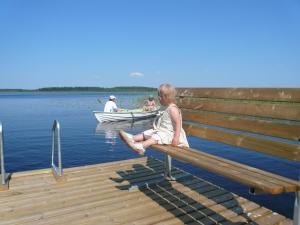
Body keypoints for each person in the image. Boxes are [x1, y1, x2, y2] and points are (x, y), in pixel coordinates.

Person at [119, 83, 189, 155]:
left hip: (171, 135)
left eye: (160, 97)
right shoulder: (167, 108)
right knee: (149, 132)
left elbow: (178, 124)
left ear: (167, 97)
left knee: (157, 136)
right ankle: (133, 138)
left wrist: (176, 138)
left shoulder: (173, 109)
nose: (159, 98)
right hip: (164, 132)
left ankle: (141, 147)